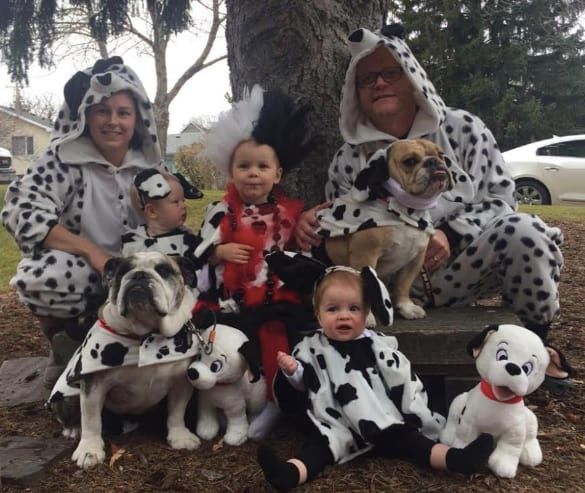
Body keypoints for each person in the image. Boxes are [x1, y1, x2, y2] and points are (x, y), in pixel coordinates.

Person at [294, 24, 570, 386]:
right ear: (355, 93)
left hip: (463, 267)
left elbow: (501, 199)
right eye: (367, 79)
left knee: (528, 232)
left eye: (390, 73)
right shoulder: (350, 158)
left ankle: (533, 348)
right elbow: (344, 226)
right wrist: (310, 222)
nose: (379, 83)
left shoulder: (463, 128)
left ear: (413, 78)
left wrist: (450, 234)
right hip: (385, 284)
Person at [1, 57, 166, 387]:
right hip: (83, 273)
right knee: (40, 276)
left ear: (137, 119)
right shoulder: (62, 158)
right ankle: (64, 347)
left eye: (123, 113)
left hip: (137, 271)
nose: (112, 122)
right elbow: (23, 211)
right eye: (102, 111)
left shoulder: (150, 169)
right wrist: (91, 252)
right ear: (85, 115)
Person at [258, 265, 494, 491]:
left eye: (353, 308)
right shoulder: (312, 347)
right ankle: (290, 473)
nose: (344, 316)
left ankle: (457, 460)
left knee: (412, 440)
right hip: (339, 423)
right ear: (318, 315)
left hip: (381, 421)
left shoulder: (375, 344)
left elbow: (398, 374)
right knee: (318, 447)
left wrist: (409, 406)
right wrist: (293, 371)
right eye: (333, 309)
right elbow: (306, 383)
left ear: (367, 312)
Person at [194, 85, 318, 439]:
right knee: (231, 348)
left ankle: (274, 404)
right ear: (230, 172)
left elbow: (300, 250)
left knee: (275, 346)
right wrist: (220, 253)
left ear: (277, 174)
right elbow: (200, 254)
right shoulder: (220, 212)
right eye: (244, 166)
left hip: (276, 299)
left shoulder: (289, 213)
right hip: (232, 299)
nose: (253, 173)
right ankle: (226, 404)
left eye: (262, 166)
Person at [121, 169, 200, 276]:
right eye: (176, 202)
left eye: (183, 201)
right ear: (152, 211)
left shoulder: (188, 241)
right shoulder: (132, 242)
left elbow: (198, 275)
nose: (184, 206)